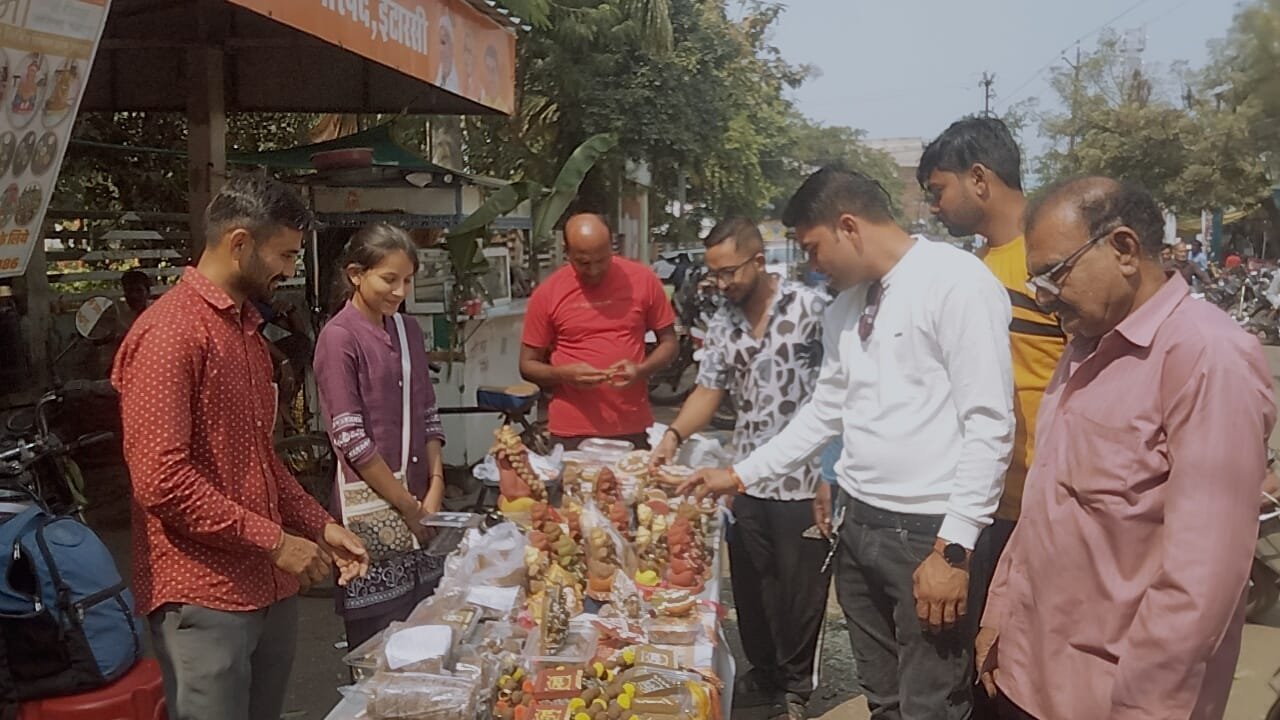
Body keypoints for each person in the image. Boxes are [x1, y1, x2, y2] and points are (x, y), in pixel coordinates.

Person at [681, 167, 1015, 720]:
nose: (812, 265)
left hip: (926, 532)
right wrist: (739, 475)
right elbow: (825, 412)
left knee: (932, 702)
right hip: (858, 526)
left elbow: (989, 421)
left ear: (848, 226)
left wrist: (953, 549)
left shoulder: (953, 281)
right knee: (882, 698)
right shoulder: (846, 304)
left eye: (813, 248)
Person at [976, 178, 1276, 720]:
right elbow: (1048, 499)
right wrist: (1000, 612)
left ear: (1123, 249)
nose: (1043, 296)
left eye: (1054, 274)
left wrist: (1142, 704)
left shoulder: (1208, 359)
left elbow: (1202, 581)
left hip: (1115, 697)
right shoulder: (1084, 345)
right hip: (1030, 673)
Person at [112, 175, 369, 720]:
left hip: (268, 589)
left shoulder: (245, 331)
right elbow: (161, 480)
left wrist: (319, 525)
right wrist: (275, 541)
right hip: (204, 593)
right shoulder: (170, 334)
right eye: (284, 254)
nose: (289, 269)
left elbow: (259, 457)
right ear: (239, 243)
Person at [650, 218, 830, 720]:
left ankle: (796, 688)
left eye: (729, 272)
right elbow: (709, 389)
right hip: (745, 475)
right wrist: (673, 435)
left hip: (804, 481)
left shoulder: (812, 309)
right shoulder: (724, 321)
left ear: (758, 261)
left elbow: (843, 392)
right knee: (752, 588)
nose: (723, 284)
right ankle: (765, 672)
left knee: (800, 594)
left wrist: (831, 472)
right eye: (715, 275)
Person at [918, 116, 1066, 718]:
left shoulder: (1050, 258)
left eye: (938, 191)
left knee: (1037, 679)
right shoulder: (976, 268)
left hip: (1048, 509)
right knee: (987, 675)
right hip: (991, 510)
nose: (934, 208)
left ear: (979, 179)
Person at [314, 224, 448, 649]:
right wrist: (407, 504)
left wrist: (436, 485)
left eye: (406, 281)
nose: (399, 291)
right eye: (388, 279)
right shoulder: (339, 338)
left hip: (421, 509)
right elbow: (351, 438)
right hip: (372, 514)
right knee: (378, 651)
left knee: (425, 641)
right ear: (356, 274)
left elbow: (428, 410)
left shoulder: (408, 331)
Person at [519, 213, 678, 449]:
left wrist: (641, 370)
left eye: (602, 260)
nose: (593, 270)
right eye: (583, 262)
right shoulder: (548, 293)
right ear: (567, 252)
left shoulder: (643, 280)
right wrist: (565, 375)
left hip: (630, 426)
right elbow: (527, 365)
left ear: (611, 246)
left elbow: (669, 343)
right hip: (571, 431)